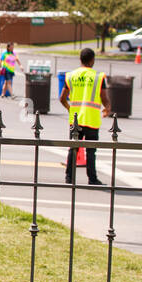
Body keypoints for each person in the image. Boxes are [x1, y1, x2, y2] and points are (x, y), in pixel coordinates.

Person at [58, 47, 110, 186]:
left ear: (80, 59)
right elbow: (103, 97)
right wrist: (107, 108)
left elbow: (62, 98)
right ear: (92, 60)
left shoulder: (71, 76)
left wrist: (70, 109)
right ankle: (92, 179)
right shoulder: (98, 77)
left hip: (76, 120)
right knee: (91, 151)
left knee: (73, 149)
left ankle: (69, 178)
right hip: (92, 119)